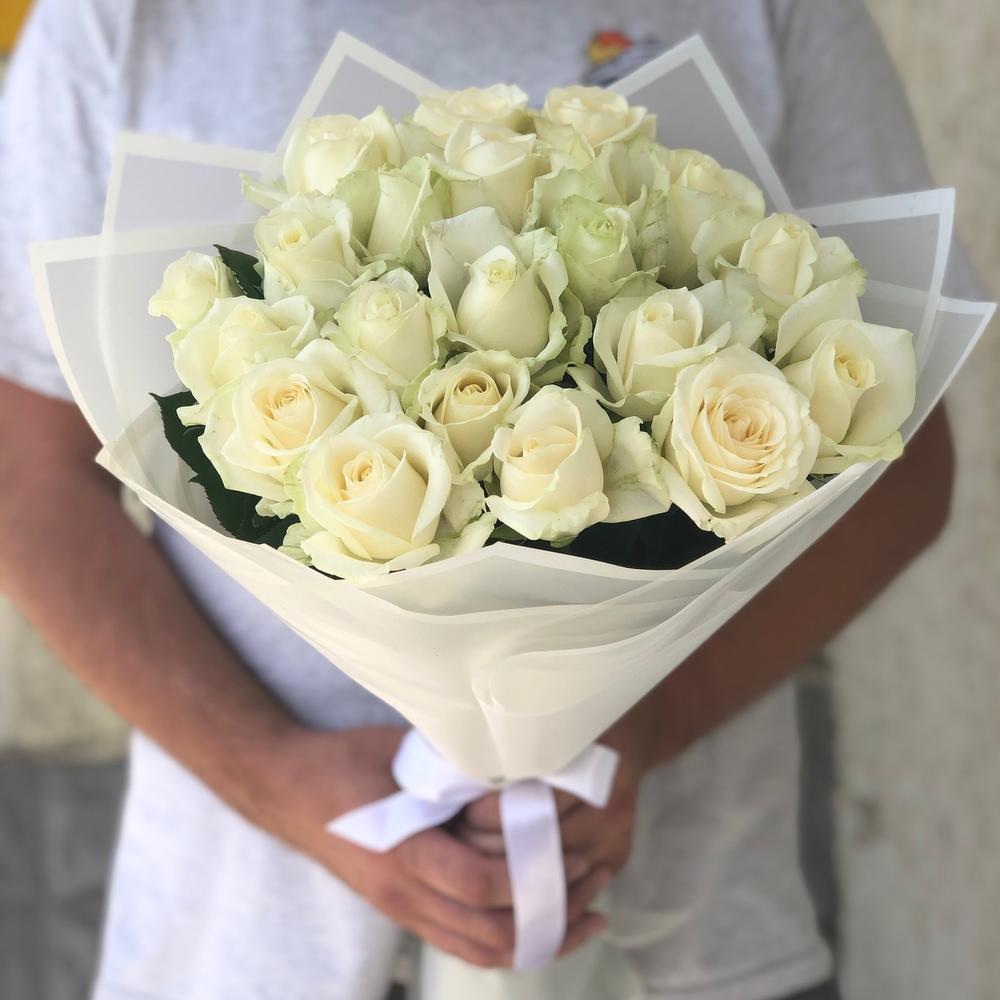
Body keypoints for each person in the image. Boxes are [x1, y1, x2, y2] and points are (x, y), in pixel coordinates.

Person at [0, 1, 956, 998]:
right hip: (242, 945)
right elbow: (28, 475)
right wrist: (272, 771)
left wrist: (649, 725)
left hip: (693, 937)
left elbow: (906, 454)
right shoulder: (116, 21)